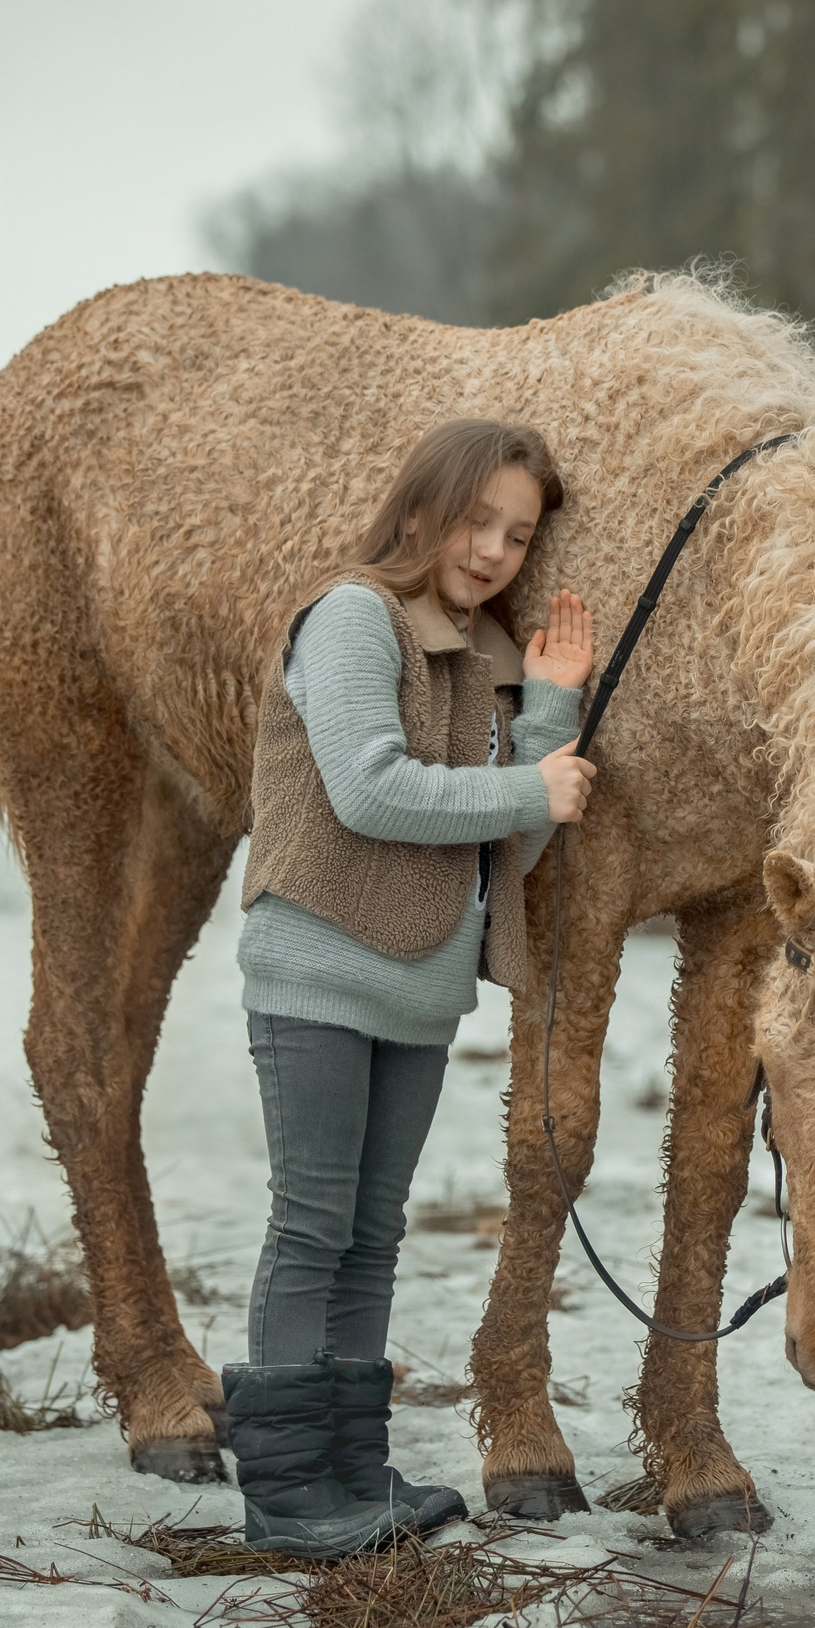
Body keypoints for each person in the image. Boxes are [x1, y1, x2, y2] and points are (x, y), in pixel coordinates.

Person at [224, 418, 596, 1557]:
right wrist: (533, 785)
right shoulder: (353, 616)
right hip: (320, 967)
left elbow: (505, 848)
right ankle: (288, 1495)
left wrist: (547, 709)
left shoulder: (486, 656)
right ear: (423, 508)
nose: (492, 551)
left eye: (517, 536)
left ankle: (350, 1472)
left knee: (373, 1234)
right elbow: (370, 790)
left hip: (422, 986)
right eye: (477, 521)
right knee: (312, 1223)